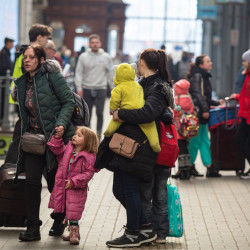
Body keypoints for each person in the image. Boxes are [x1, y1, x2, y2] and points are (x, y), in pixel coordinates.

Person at [95, 48, 175, 247]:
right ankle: (145, 228)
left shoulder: (159, 87)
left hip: (140, 146)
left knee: (131, 190)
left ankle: (134, 233)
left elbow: (148, 113)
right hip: (128, 141)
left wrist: (121, 114)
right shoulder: (141, 84)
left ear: (141, 63)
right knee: (120, 189)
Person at [15, 45, 75, 241]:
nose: (27, 60)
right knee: (32, 182)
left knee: (53, 183)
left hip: (54, 140)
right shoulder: (22, 82)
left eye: (31, 57)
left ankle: (59, 218)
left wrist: (61, 124)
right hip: (33, 141)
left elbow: (68, 101)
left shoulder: (53, 77)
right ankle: (33, 226)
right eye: (25, 57)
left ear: (41, 60)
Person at [4, 24, 52, 165]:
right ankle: (10, 169)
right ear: (39, 37)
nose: (47, 42)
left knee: (27, 135)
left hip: (25, 100)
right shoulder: (28, 55)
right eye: (46, 38)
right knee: (22, 136)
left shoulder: (24, 53)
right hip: (25, 101)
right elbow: (28, 81)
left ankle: (24, 169)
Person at [47, 126, 99, 245]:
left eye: (79, 135)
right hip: (63, 187)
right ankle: (71, 231)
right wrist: (57, 138)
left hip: (76, 189)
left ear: (88, 141)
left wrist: (74, 181)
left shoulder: (89, 156)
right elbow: (57, 149)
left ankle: (75, 232)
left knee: (74, 211)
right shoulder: (68, 149)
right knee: (67, 209)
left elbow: (88, 174)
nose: (74, 136)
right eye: (75, 134)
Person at [104, 63, 161, 153]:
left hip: (125, 111)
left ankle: (107, 133)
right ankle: (155, 145)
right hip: (140, 109)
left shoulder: (118, 88)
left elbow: (114, 101)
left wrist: (113, 109)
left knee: (113, 124)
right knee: (150, 128)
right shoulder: (138, 85)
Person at [187, 54, 224, 177]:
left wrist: (217, 103)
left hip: (202, 112)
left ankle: (208, 167)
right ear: (201, 65)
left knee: (204, 140)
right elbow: (197, 94)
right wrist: (204, 110)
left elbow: (206, 97)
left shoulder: (203, 75)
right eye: (208, 61)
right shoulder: (198, 76)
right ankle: (190, 166)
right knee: (196, 141)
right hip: (198, 113)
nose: (211, 63)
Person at [75, 34, 113, 138]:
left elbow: (110, 73)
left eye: (97, 42)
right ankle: (88, 136)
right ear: (89, 44)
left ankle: (98, 135)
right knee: (88, 115)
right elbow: (79, 73)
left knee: (100, 113)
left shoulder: (106, 57)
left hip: (101, 88)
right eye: (93, 43)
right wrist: (79, 87)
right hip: (87, 88)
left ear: (100, 43)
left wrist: (113, 87)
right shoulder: (83, 57)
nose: (95, 45)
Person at [172, 79, 203, 180]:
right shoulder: (188, 98)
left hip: (179, 127)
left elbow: (173, 112)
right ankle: (187, 169)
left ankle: (182, 170)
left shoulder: (177, 98)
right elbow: (192, 110)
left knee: (181, 149)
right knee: (186, 148)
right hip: (187, 127)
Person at [230, 49, 250, 179]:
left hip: (248, 116)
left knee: (241, 140)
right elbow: (245, 95)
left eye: (244, 60)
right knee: (243, 140)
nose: (243, 63)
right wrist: (237, 96)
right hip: (246, 115)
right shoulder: (247, 75)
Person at [0, 37, 14, 121]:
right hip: (4, 81)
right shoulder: (4, 53)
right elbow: (4, 67)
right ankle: (2, 118)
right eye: (11, 42)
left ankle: (2, 118)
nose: (12, 44)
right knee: (3, 100)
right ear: (7, 43)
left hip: (6, 81)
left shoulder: (6, 52)